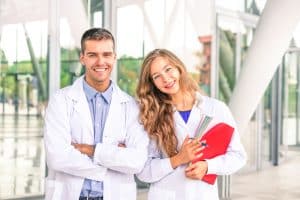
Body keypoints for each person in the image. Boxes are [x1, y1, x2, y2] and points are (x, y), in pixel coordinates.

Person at [44, 28, 149, 200]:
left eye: (106, 54)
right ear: (82, 57)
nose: (100, 62)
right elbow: (57, 156)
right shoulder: (60, 100)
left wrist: (88, 150)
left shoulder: (131, 106)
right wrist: (112, 161)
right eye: (92, 55)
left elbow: (137, 161)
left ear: (114, 57)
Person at [136, 49, 246, 200]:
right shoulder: (151, 115)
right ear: (153, 83)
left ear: (178, 67)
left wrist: (208, 166)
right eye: (157, 76)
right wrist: (178, 159)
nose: (166, 79)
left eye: (168, 69)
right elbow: (143, 171)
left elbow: (238, 156)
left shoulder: (216, 108)